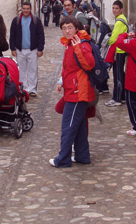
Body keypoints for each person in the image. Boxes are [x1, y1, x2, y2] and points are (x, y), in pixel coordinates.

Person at [49, 16, 96, 168]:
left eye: (70, 28)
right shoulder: (70, 44)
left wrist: (78, 48)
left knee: (68, 126)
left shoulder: (80, 44)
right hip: (72, 90)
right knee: (80, 125)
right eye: (64, 28)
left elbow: (89, 64)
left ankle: (62, 159)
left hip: (78, 92)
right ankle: (82, 155)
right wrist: (61, 81)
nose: (67, 31)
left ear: (76, 28)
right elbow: (68, 67)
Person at [10, 1, 45, 97]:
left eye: (27, 8)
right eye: (24, 8)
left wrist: (40, 49)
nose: (26, 10)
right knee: (21, 70)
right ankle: (23, 89)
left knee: (32, 70)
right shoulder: (16, 21)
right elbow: (12, 35)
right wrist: (12, 48)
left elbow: (41, 35)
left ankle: (32, 89)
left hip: (33, 49)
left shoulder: (35, 20)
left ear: (30, 9)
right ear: (21, 9)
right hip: (20, 49)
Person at [105, 0, 128, 107]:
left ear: (121, 9)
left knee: (118, 75)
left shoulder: (119, 22)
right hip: (122, 50)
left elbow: (114, 39)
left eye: (116, 8)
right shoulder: (123, 19)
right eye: (113, 8)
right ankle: (122, 97)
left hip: (119, 51)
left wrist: (108, 41)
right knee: (120, 74)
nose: (114, 10)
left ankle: (117, 98)